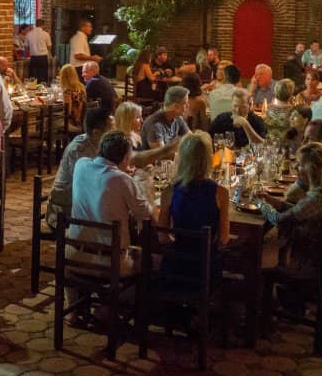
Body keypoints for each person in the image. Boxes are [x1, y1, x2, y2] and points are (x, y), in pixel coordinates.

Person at [68, 131, 152, 275]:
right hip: (109, 263)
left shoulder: (80, 165)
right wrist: (143, 188)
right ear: (125, 158)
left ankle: (77, 293)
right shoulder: (123, 180)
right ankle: (130, 296)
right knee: (153, 261)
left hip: (73, 256)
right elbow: (145, 214)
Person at [261, 142, 322, 272]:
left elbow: (278, 219)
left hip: (316, 267)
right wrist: (275, 202)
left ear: (312, 168)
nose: (296, 166)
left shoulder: (317, 198)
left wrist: (260, 204)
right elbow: (299, 211)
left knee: (262, 272)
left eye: (300, 164)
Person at [157, 131, 230, 281]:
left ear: (182, 159)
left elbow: (162, 237)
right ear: (208, 159)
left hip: (175, 270)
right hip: (206, 271)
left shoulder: (169, 192)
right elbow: (224, 238)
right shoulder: (221, 193)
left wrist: (181, 248)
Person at [47, 108, 115, 228]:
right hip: (64, 211)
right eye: (111, 130)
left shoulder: (100, 144)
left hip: (84, 205)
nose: (115, 133)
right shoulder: (79, 150)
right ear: (96, 133)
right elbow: (84, 187)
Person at [139, 85, 190, 150]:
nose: (188, 106)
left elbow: (191, 138)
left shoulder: (177, 118)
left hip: (169, 158)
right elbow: (161, 154)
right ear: (175, 106)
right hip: (152, 159)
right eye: (185, 104)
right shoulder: (155, 124)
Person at [59, 64, 88, 130]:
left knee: (48, 121)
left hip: (72, 123)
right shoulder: (82, 87)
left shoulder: (67, 91)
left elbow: (68, 112)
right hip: (82, 122)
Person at [25, 18, 53, 83]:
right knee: (43, 77)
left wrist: (32, 49)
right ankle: (43, 90)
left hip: (33, 58)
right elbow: (49, 47)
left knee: (33, 78)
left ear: (36, 25)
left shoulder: (29, 34)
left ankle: (33, 91)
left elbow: (26, 48)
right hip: (43, 58)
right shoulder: (46, 34)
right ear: (43, 25)